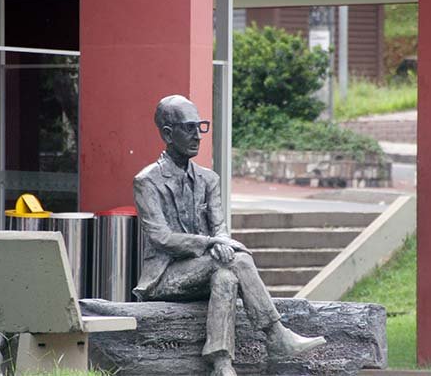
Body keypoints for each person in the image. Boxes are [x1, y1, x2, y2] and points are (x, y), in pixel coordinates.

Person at [133, 94, 325, 376]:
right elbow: (161, 237)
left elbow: (219, 226)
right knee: (237, 261)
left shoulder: (209, 179)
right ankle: (276, 334)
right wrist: (213, 244)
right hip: (166, 276)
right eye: (189, 128)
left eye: (201, 126)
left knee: (226, 276)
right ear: (167, 133)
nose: (198, 135)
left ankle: (221, 364)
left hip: (207, 268)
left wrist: (220, 242)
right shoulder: (147, 181)